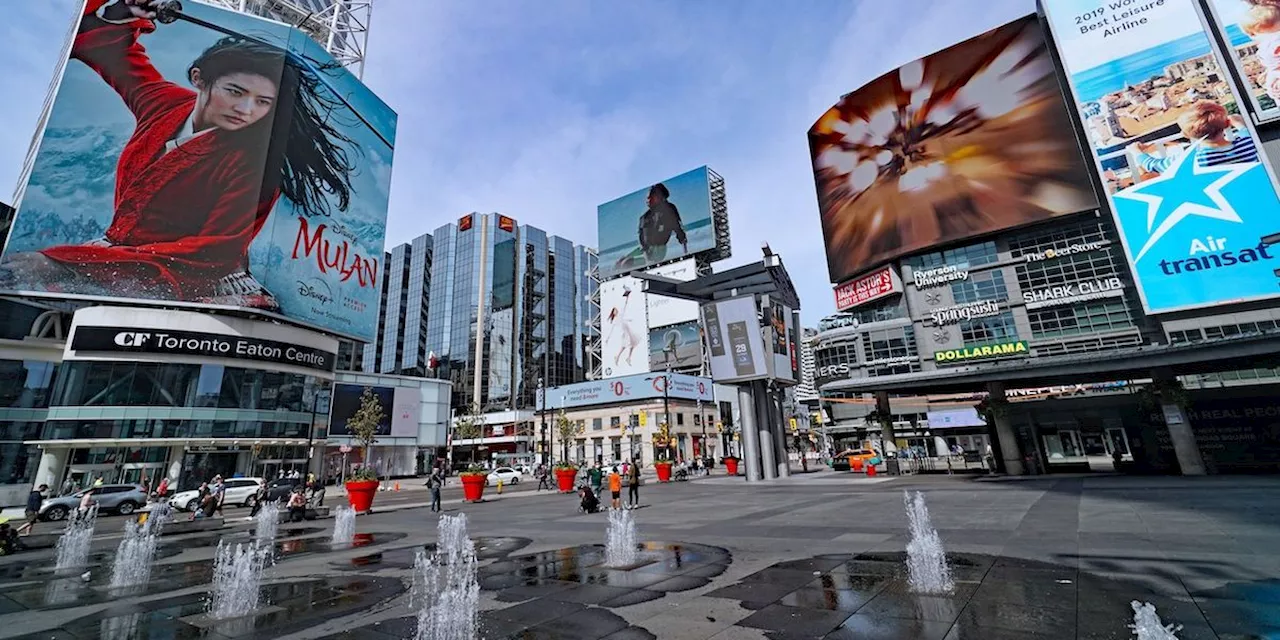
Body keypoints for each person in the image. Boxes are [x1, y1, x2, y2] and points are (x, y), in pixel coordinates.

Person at [0, 0, 359, 310]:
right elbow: (105, 46)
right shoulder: (166, 103)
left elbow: (208, 255)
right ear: (199, 78)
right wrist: (121, 11)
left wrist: (66, 264)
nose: (246, 110)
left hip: (204, 287)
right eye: (235, 91)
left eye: (263, 102)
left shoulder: (255, 161)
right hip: (115, 260)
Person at [1132, 101, 1258, 176]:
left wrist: (1135, 151)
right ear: (1226, 124)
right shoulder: (1247, 145)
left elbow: (1154, 165)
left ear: (1186, 135)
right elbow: (1245, 131)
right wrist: (1238, 122)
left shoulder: (1194, 159)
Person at [637, 183, 688, 263]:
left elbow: (678, 227)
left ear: (659, 197)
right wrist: (644, 247)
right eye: (647, 198)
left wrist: (682, 240)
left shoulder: (668, 209)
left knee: (626, 263)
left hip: (658, 251)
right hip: (646, 250)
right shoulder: (645, 217)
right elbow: (641, 235)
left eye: (651, 197)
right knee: (622, 262)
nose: (648, 200)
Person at [605, 287, 641, 368]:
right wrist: (607, 338)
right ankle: (618, 356)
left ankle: (628, 357)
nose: (616, 311)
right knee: (625, 345)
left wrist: (627, 298)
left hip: (628, 329)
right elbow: (612, 329)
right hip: (624, 331)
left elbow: (624, 306)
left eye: (616, 309)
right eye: (614, 310)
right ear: (613, 313)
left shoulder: (620, 315)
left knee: (632, 343)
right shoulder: (614, 320)